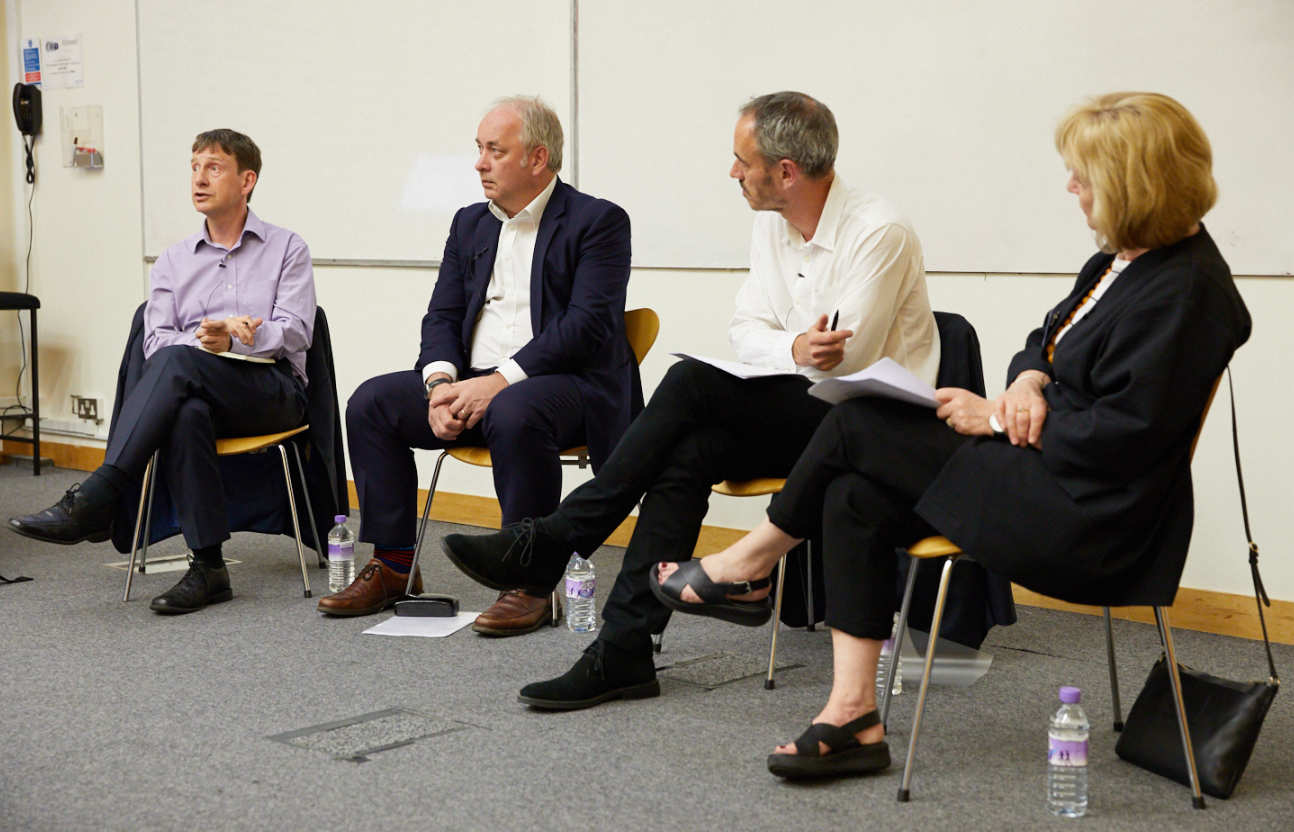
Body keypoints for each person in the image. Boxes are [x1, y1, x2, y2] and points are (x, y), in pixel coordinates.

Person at [654, 91, 1251, 780]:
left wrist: (996, 416)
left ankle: (749, 564)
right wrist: (1026, 383)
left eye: (1082, 176)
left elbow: (1128, 437)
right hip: (1045, 475)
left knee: (855, 421)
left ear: (1134, 183)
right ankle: (853, 714)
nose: (1071, 187)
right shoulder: (1122, 259)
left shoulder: (1192, 291)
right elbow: (1043, 342)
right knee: (851, 492)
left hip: (1093, 516)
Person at [441, 91, 941, 708]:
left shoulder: (878, 231)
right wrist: (792, 350)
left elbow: (848, 361)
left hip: (871, 423)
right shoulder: (770, 225)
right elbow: (746, 332)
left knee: (691, 383)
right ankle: (623, 649)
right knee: (689, 452)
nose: (732, 173)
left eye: (742, 160)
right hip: (803, 407)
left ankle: (559, 536)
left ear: (785, 171)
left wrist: (787, 351)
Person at [318, 96, 641, 635]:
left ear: (537, 159)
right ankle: (395, 564)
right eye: (479, 149)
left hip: (568, 386)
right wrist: (441, 383)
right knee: (372, 402)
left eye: (495, 150)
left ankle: (529, 579)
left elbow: (587, 326)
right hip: (475, 383)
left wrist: (496, 382)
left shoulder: (597, 221)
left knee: (514, 410)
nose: (479, 163)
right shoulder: (470, 224)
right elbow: (442, 313)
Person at [9, 129, 316, 615]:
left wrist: (237, 338)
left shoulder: (287, 248)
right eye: (194, 167)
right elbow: (155, 341)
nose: (199, 178)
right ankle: (210, 567)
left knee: (178, 367)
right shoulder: (173, 261)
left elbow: (299, 333)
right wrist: (205, 340)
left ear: (247, 180)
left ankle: (102, 493)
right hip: (201, 387)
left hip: (270, 390)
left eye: (213, 167)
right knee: (186, 409)